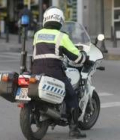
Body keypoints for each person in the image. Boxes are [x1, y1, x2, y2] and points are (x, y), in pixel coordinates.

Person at [31, 6, 87, 138]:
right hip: (53, 70)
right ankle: (73, 129)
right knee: (72, 95)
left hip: (36, 69)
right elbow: (76, 56)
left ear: (45, 19)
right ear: (60, 20)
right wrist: (84, 58)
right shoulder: (62, 36)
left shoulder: (37, 34)